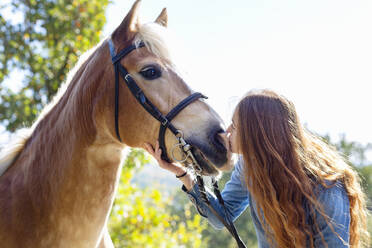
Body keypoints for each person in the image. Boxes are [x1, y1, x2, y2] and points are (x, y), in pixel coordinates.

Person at [144, 89, 369, 248]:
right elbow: (222, 217)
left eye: (235, 125)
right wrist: (183, 174)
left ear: (257, 135)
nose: (227, 130)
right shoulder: (249, 167)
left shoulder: (326, 186)